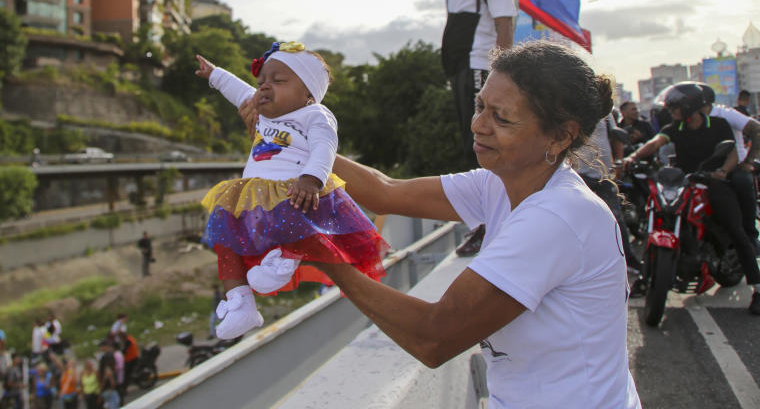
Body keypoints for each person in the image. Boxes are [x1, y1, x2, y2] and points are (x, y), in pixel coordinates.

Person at [239, 42, 640, 406]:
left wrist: (325, 257)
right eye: (481, 106)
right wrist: (282, 134)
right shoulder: (502, 183)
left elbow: (435, 336)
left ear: (560, 136)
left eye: (501, 118)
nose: (479, 125)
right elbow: (386, 191)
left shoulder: (557, 216)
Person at [195, 42, 388, 339]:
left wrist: (311, 179)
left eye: (278, 81)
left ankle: (284, 257)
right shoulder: (262, 113)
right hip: (250, 194)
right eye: (261, 83)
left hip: (293, 188)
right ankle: (240, 302)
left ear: (308, 93)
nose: (264, 88)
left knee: (289, 219)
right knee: (225, 237)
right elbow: (238, 91)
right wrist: (214, 74)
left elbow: (324, 147)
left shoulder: (315, 115)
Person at [373, 0, 517, 257]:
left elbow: (504, 23)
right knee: (471, 147)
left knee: (485, 147)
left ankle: (496, 224)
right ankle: (486, 222)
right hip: (462, 71)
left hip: (483, 69)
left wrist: (503, 76)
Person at [623, 82, 760, 315]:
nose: (672, 111)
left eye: (675, 107)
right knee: (657, 213)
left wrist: (723, 171)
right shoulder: (676, 127)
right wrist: (633, 156)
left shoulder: (718, 124)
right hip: (685, 184)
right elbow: (656, 142)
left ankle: (757, 288)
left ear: (689, 105)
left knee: (736, 231)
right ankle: (648, 275)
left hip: (714, 184)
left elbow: (732, 152)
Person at [693, 81, 760, 255]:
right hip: (704, 171)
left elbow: (756, 129)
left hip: (734, 168)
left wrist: (749, 161)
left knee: (742, 182)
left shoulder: (725, 114)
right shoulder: (688, 121)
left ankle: (750, 238)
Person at [578, 111, 642, 271]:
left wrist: (619, 162)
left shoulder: (603, 110)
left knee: (615, 219)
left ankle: (627, 259)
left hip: (602, 176)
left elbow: (615, 137)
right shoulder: (563, 105)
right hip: (573, 176)